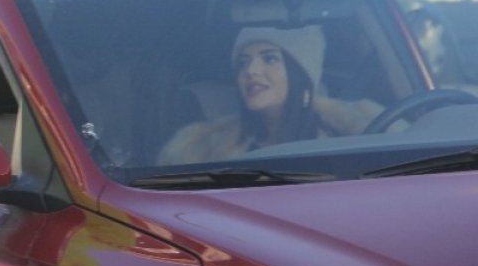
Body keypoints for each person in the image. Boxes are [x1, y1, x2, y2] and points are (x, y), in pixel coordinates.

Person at [157, 26, 385, 166]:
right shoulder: (201, 150)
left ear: (301, 75)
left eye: (269, 59)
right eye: (243, 62)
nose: (251, 71)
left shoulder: (358, 137)